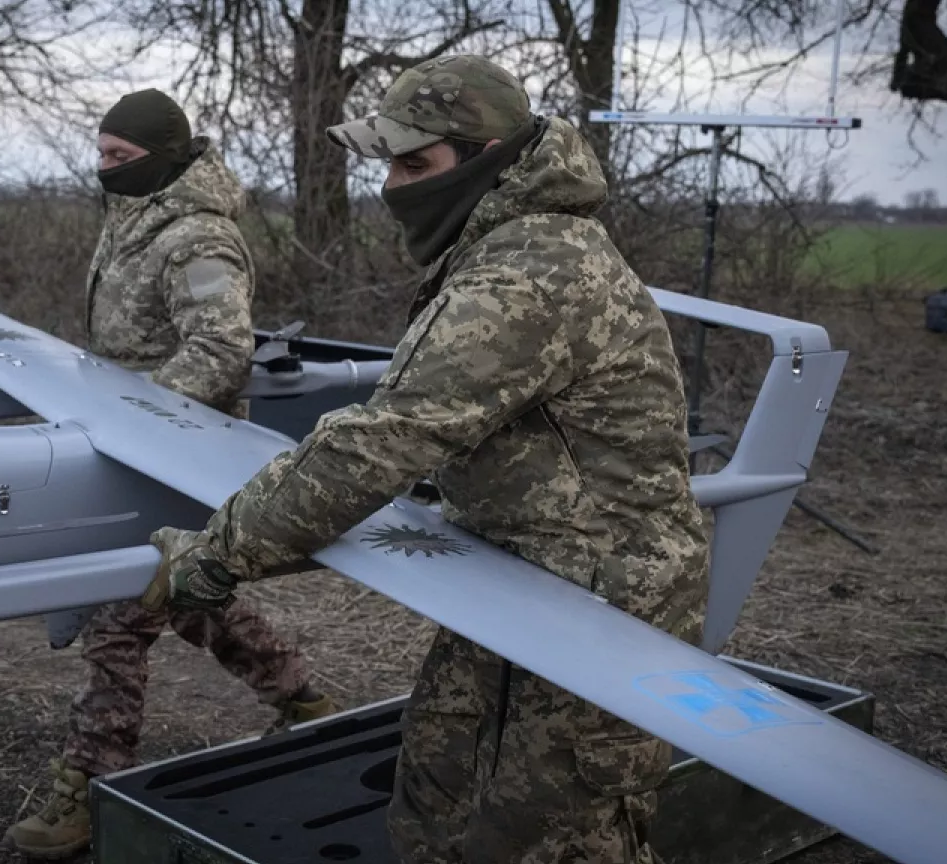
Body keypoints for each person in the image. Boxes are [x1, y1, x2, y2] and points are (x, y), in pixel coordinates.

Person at [139, 56, 711, 864]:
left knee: (551, 841)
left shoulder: (528, 275)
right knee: (437, 803)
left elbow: (381, 440)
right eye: (390, 164)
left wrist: (214, 556)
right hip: (519, 583)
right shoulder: (507, 247)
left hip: (597, 610)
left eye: (415, 164)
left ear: (487, 157)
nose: (393, 187)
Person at [2, 88, 339, 860]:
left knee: (119, 614)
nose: (104, 167)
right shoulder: (134, 218)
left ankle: (88, 781)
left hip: (177, 453)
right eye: (101, 153)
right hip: (128, 450)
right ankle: (306, 702)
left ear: (161, 156)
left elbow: (220, 350)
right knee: (189, 597)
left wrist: (132, 413)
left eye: (120, 155)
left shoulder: (197, 238)